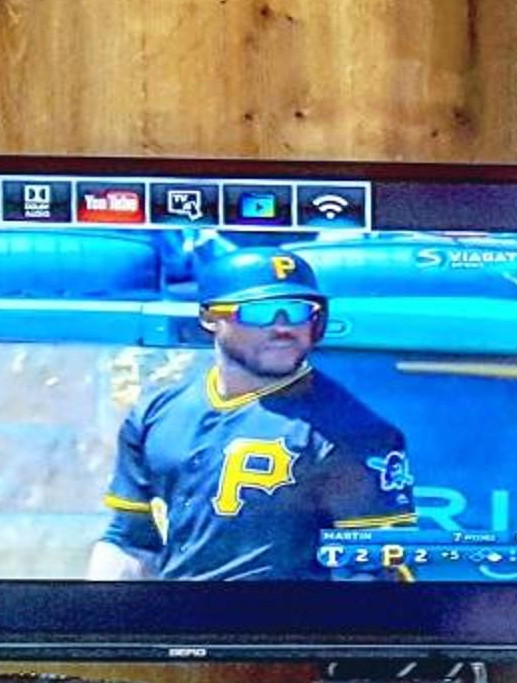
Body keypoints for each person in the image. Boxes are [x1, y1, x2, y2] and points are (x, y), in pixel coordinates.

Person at [88, 248, 416, 580]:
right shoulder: (156, 412)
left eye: (297, 311)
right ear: (211, 318)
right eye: (261, 312)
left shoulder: (351, 430)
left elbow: (380, 568)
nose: (283, 327)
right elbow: (130, 541)